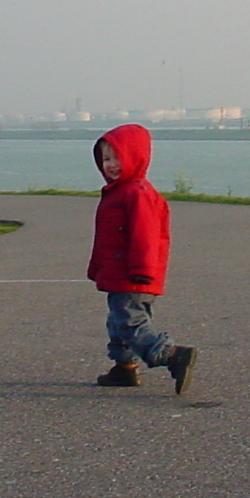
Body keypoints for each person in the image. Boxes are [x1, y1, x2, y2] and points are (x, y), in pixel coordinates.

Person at [87, 123, 197, 394]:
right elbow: (108, 238)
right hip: (119, 272)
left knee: (129, 321)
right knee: (118, 321)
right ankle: (124, 367)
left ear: (136, 157)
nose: (111, 165)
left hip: (134, 274)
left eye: (118, 158)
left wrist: (143, 270)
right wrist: (97, 269)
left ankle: (171, 354)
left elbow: (146, 236)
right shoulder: (119, 191)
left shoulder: (138, 193)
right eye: (106, 159)